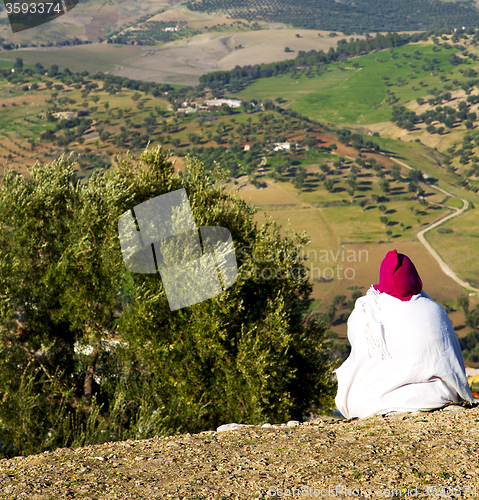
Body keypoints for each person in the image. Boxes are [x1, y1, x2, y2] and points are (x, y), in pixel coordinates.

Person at [335, 249, 473, 419]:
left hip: (370, 402)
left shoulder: (365, 311)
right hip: (433, 397)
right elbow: (452, 363)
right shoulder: (435, 311)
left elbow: (359, 356)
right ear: (415, 277)